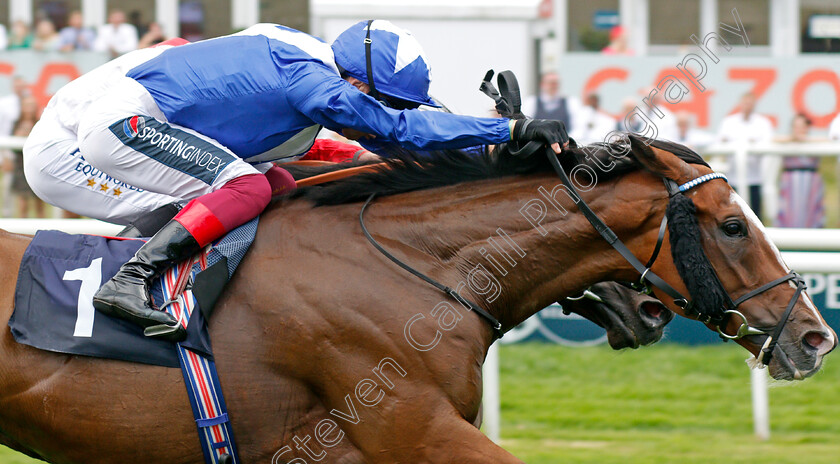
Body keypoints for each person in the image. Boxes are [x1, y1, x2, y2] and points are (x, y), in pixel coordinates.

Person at [24, 21, 567, 340]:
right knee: (248, 188)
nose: (369, 104)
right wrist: (506, 127)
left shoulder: (307, 57)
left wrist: (491, 143)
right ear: (356, 79)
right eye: (374, 94)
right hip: (85, 144)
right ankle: (131, 283)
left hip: (121, 119)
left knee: (279, 185)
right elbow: (392, 125)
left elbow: (391, 133)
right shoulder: (309, 77)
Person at [716, 92, 774, 219]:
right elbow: (720, 142)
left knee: (755, 216)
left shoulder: (762, 123)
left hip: (755, 177)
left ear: (754, 105)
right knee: (732, 214)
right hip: (732, 177)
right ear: (740, 104)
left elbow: (768, 144)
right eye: (745, 103)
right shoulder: (729, 122)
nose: (747, 106)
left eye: (750, 103)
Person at [776, 114, 824, 228]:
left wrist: (804, 139)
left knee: (811, 212)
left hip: (810, 182)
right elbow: (773, 139)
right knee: (789, 211)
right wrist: (794, 139)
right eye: (796, 126)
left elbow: (828, 140)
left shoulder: (814, 142)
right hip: (790, 182)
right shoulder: (787, 142)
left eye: (801, 126)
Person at [10, 95, 45, 217]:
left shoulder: (41, 123)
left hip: (37, 166)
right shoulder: (16, 124)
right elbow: (12, 147)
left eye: (32, 105)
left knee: (39, 204)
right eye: (27, 105)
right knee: (22, 204)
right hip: (20, 167)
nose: (29, 109)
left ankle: (43, 233)